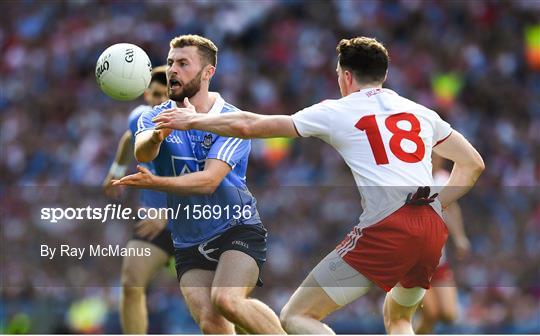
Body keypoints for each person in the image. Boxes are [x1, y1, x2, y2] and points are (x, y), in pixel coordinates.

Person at [151, 36, 485, 334]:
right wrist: (438, 204)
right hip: (431, 228)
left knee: (297, 317)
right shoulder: (420, 112)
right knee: (398, 318)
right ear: (382, 75)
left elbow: (250, 124)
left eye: (338, 74)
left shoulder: (339, 110)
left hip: (389, 227)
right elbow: (473, 164)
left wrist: (193, 119)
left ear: (346, 76)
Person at [113, 34, 285, 334]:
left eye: (183, 63)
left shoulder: (230, 120)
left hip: (236, 228)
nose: (172, 70)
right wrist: (158, 135)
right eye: (170, 63)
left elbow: (208, 182)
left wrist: (156, 182)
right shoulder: (154, 116)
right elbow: (142, 149)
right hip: (188, 240)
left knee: (226, 300)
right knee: (210, 321)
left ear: (208, 73)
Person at [102, 66, 172, 334]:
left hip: (194, 224)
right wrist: (116, 170)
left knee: (218, 306)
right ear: (146, 95)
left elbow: (208, 182)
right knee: (131, 284)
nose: (159, 102)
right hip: (153, 225)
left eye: (166, 96)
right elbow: (130, 136)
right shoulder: (140, 118)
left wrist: (169, 212)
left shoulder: (190, 129)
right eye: (155, 95)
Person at [415, 154, 471, 334]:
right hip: (414, 261)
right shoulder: (410, 179)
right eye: (431, 156)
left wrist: (460, 237)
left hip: (439, 258)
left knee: (448, 314)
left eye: (438, 156)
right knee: (431, 313)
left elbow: (452, 208)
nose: (435, 160)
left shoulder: (442, 179)